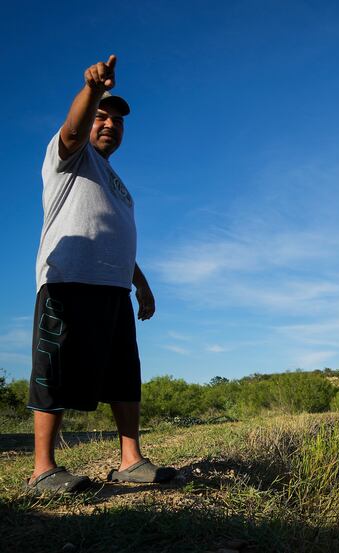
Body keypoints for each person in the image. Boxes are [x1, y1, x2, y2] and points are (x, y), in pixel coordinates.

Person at [26, 55, 175, 493]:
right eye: (102, 117)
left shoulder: (117, 183)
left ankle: (130, 460)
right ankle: (43, 470)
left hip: (113, 291)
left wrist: (141, 284)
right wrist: (92, 90)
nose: (109, 124)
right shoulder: (68, 155)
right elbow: (73, 129)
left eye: (117, 121)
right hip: (67, 281)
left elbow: (118, 238)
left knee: (124, 376)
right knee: (53, 372)